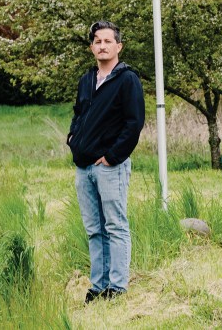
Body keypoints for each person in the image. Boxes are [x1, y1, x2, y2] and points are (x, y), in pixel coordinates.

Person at [67, 20, 145, 303]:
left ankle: (118, 287)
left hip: (110, 167)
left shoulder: (127, 79)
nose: (102, 46)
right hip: (83, 166)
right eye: (97, 41)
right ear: (92, 48)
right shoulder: (86, 80)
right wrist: (73, 138)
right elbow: (79, 113)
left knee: (115, 225)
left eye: (107, 41)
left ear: (118, 46)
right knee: (94, 229)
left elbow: (134, 123)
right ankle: (98, 286)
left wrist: (112, 156)